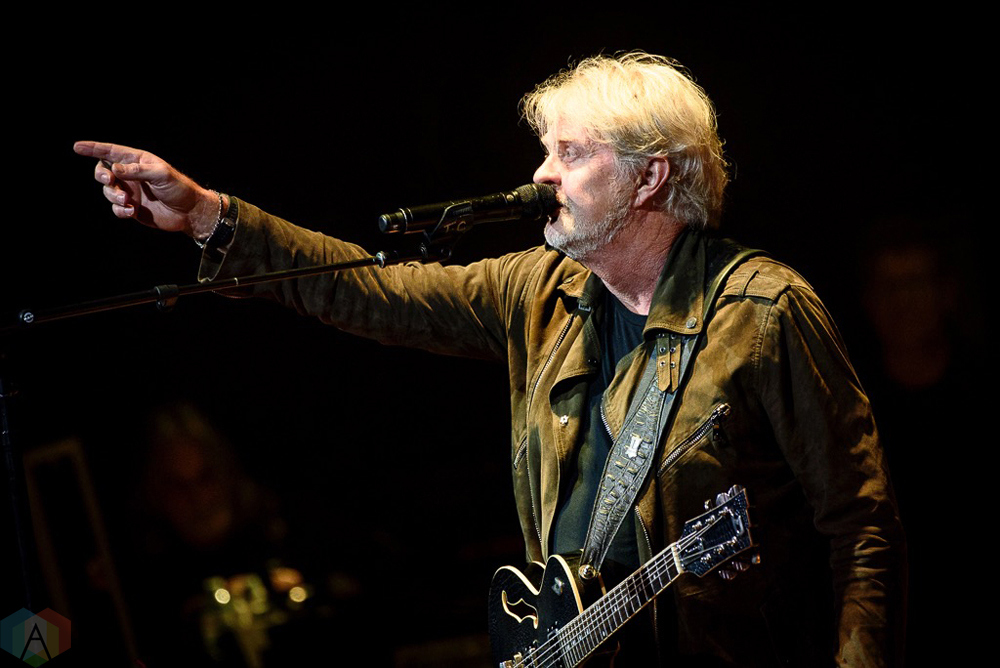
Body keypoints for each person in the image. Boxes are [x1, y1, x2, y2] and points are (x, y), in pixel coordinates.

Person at [74, 52, 905, 666]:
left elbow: (862, 529)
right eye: (547, 151)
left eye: (571, 153)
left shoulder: (762, 311)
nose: (542, 174)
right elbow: (370, 292)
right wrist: (209, 217)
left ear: (649, 177)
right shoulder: (535, 291)